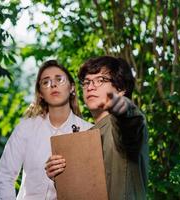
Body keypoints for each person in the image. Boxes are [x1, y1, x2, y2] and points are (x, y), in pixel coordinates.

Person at [45, 56, 149, 200]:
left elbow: (131, 125)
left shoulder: (122, 124)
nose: (90, 87)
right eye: (86, 82)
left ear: (121, 89)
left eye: (100, 80)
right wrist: (59, 175)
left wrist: (124, 108)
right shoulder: (85, 137)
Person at [0, 60, 92, 200]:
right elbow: (4, 176)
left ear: (71, 87)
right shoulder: (25, 128)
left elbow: (92, 185)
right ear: (40, 93)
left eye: (59, 79)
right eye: (45, 82)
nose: (53, 84)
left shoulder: (88, 131)